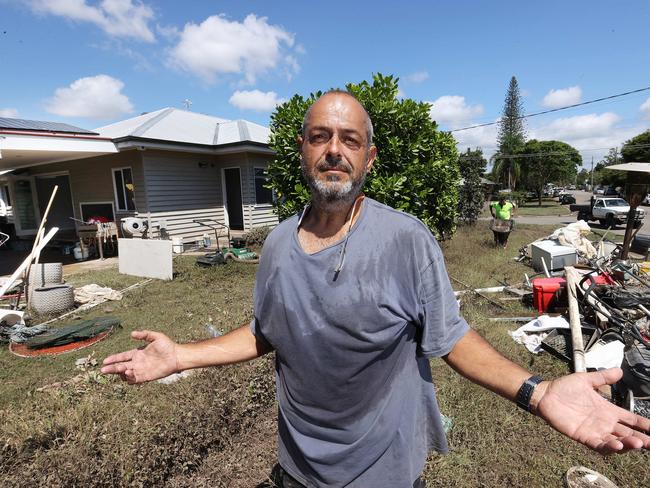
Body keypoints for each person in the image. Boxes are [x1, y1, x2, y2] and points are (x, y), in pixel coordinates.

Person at [102, 91, 650, 488]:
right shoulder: (274, 246)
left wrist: (540, 393)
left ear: (369, 157)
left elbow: (451, 337)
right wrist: (181, 357)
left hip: (382, 471)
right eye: (321, 137)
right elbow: (269, 331)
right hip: (296, 467)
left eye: (350, 140)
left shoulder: (404, 239)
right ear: (302, 150)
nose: (334, 150)